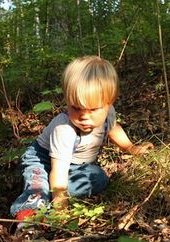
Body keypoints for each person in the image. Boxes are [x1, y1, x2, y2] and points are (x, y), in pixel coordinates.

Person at [10, 56, 153, 228]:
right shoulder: (64, 129)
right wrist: (60, 204)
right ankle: (28, 221)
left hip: (76, 166)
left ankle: (49, 196)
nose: (84, 116)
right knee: (37, 189)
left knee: (98, 178)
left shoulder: (109, 114)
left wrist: (130, 148)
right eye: (76, 108)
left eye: (93, 109)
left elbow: (114, 129)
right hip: (44, 161)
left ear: (109, 103)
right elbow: (59, 170)